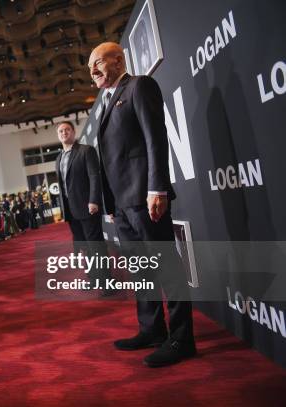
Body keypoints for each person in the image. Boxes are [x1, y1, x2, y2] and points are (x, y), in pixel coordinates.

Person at [89, 41, 195, 367]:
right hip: (122, 204)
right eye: (88, 67)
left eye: (97, 62)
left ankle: (181, 339)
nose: (92, 71)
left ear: (118, 59)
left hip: (145, 197)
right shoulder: (107, 101)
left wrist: (157, 188)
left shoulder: (139, 86)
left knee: (167, 269)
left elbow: (155, 138)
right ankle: (152, 330)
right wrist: (109, 202)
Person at [54, 121, 110, 286]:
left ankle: (106, 282)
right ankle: (93, 278)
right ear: (58, 136)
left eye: (67, 130)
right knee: (85, 246)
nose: (64, 133)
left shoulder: (86, 151)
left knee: (96, 245)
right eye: (61, 131)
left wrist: (94, 200)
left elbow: (94, 177)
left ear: (73, 132)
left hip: (88, 207)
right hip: (71, 211)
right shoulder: (58, 158)